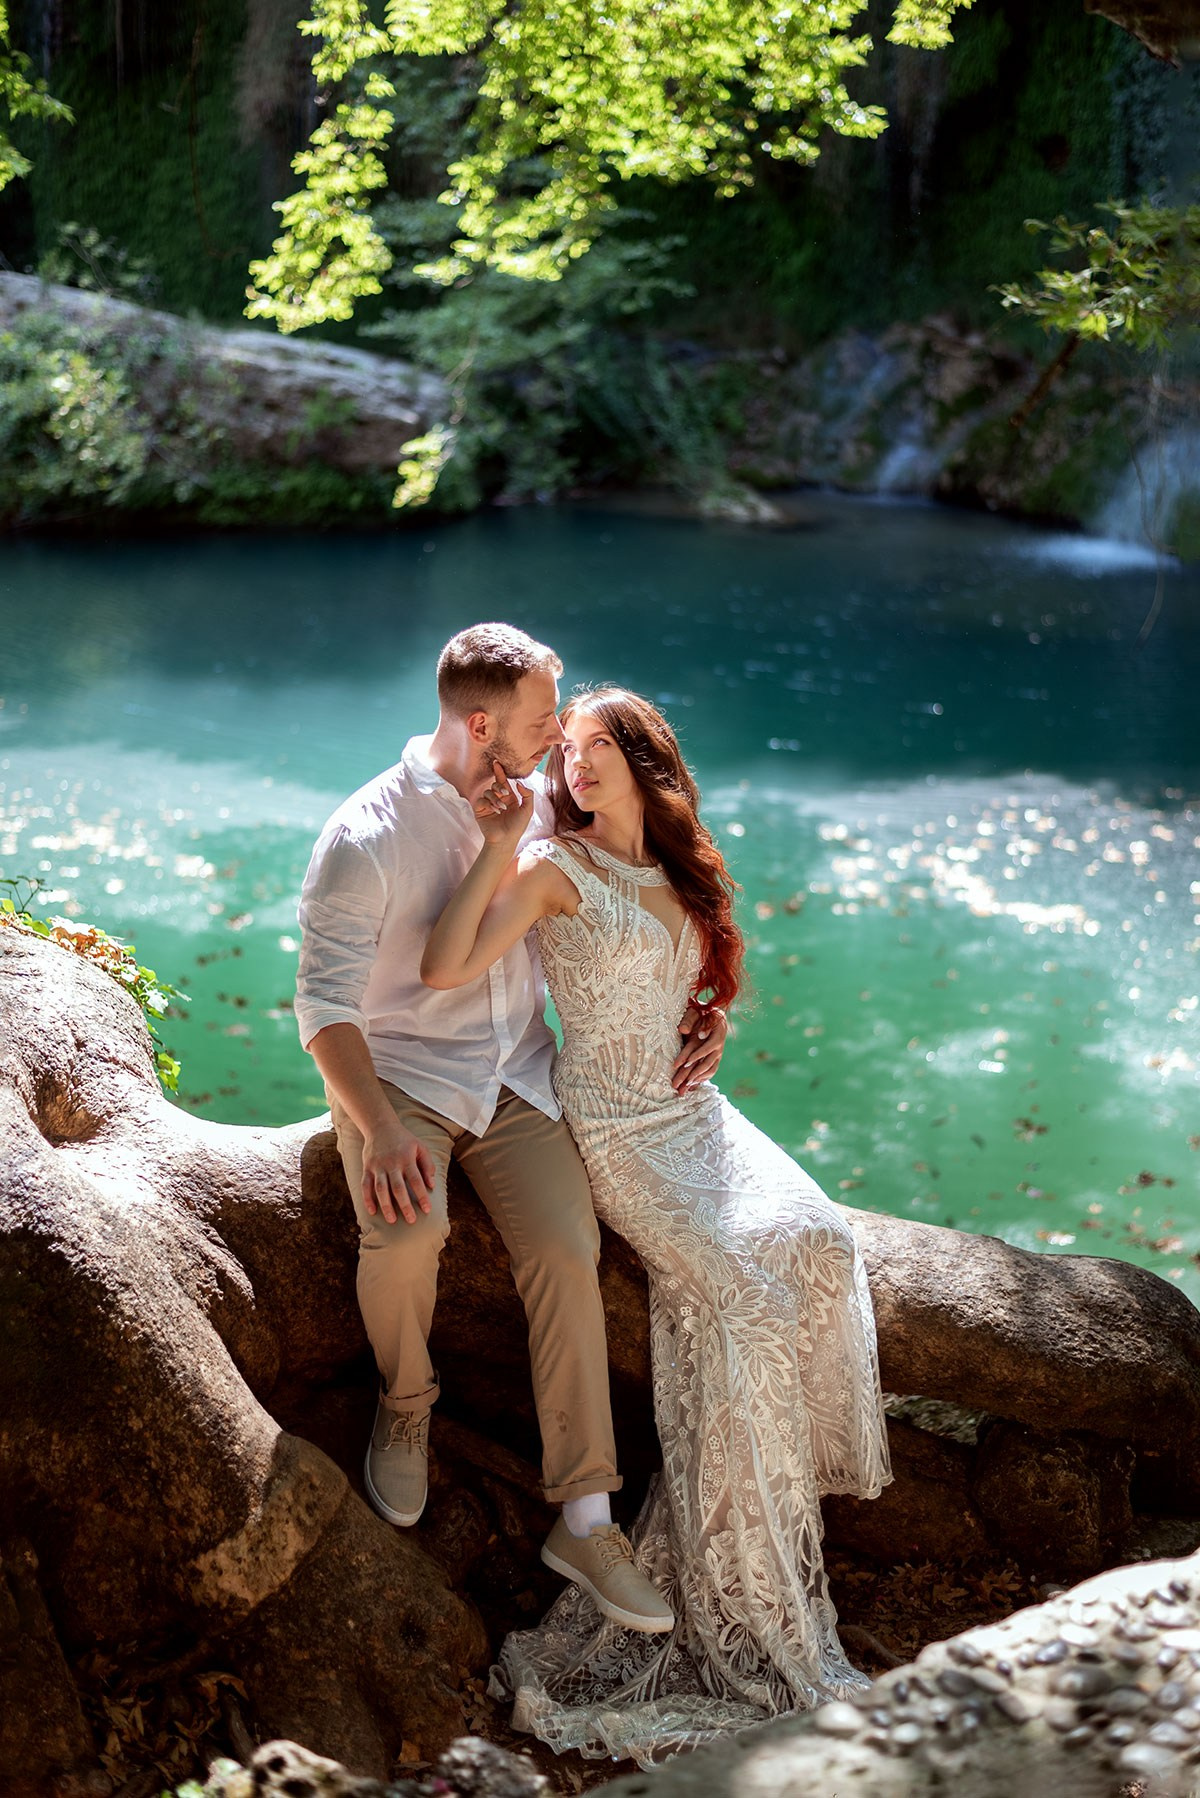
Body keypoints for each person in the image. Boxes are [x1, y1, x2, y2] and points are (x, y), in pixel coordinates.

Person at [421, 686, 892, 1766]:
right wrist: (498, 844)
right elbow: (448, 966)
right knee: (740, 1299)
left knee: (819, 1239)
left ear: (645, 761)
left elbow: (703, 972)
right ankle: (750, 1616)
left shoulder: (681, 867)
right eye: (569, 750)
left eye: (599, 748)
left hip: (697, 1111)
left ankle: (763, 1524)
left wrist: (713, 1016)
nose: (577, 767)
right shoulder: (556, 868)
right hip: (621, 1129)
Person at [294, 626, 724, 1635]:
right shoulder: (364, 836)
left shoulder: (541, 797)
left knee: (569, 1251)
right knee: (407, 1233)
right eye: (542, 721)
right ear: (482, 724)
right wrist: (381, 1132)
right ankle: (406, 1400)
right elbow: (322, 1011)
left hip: (520, 1075)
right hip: (402, 1079)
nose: (558, 740)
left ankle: (583, 1514)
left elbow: (643, 883)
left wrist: (700, 1006)